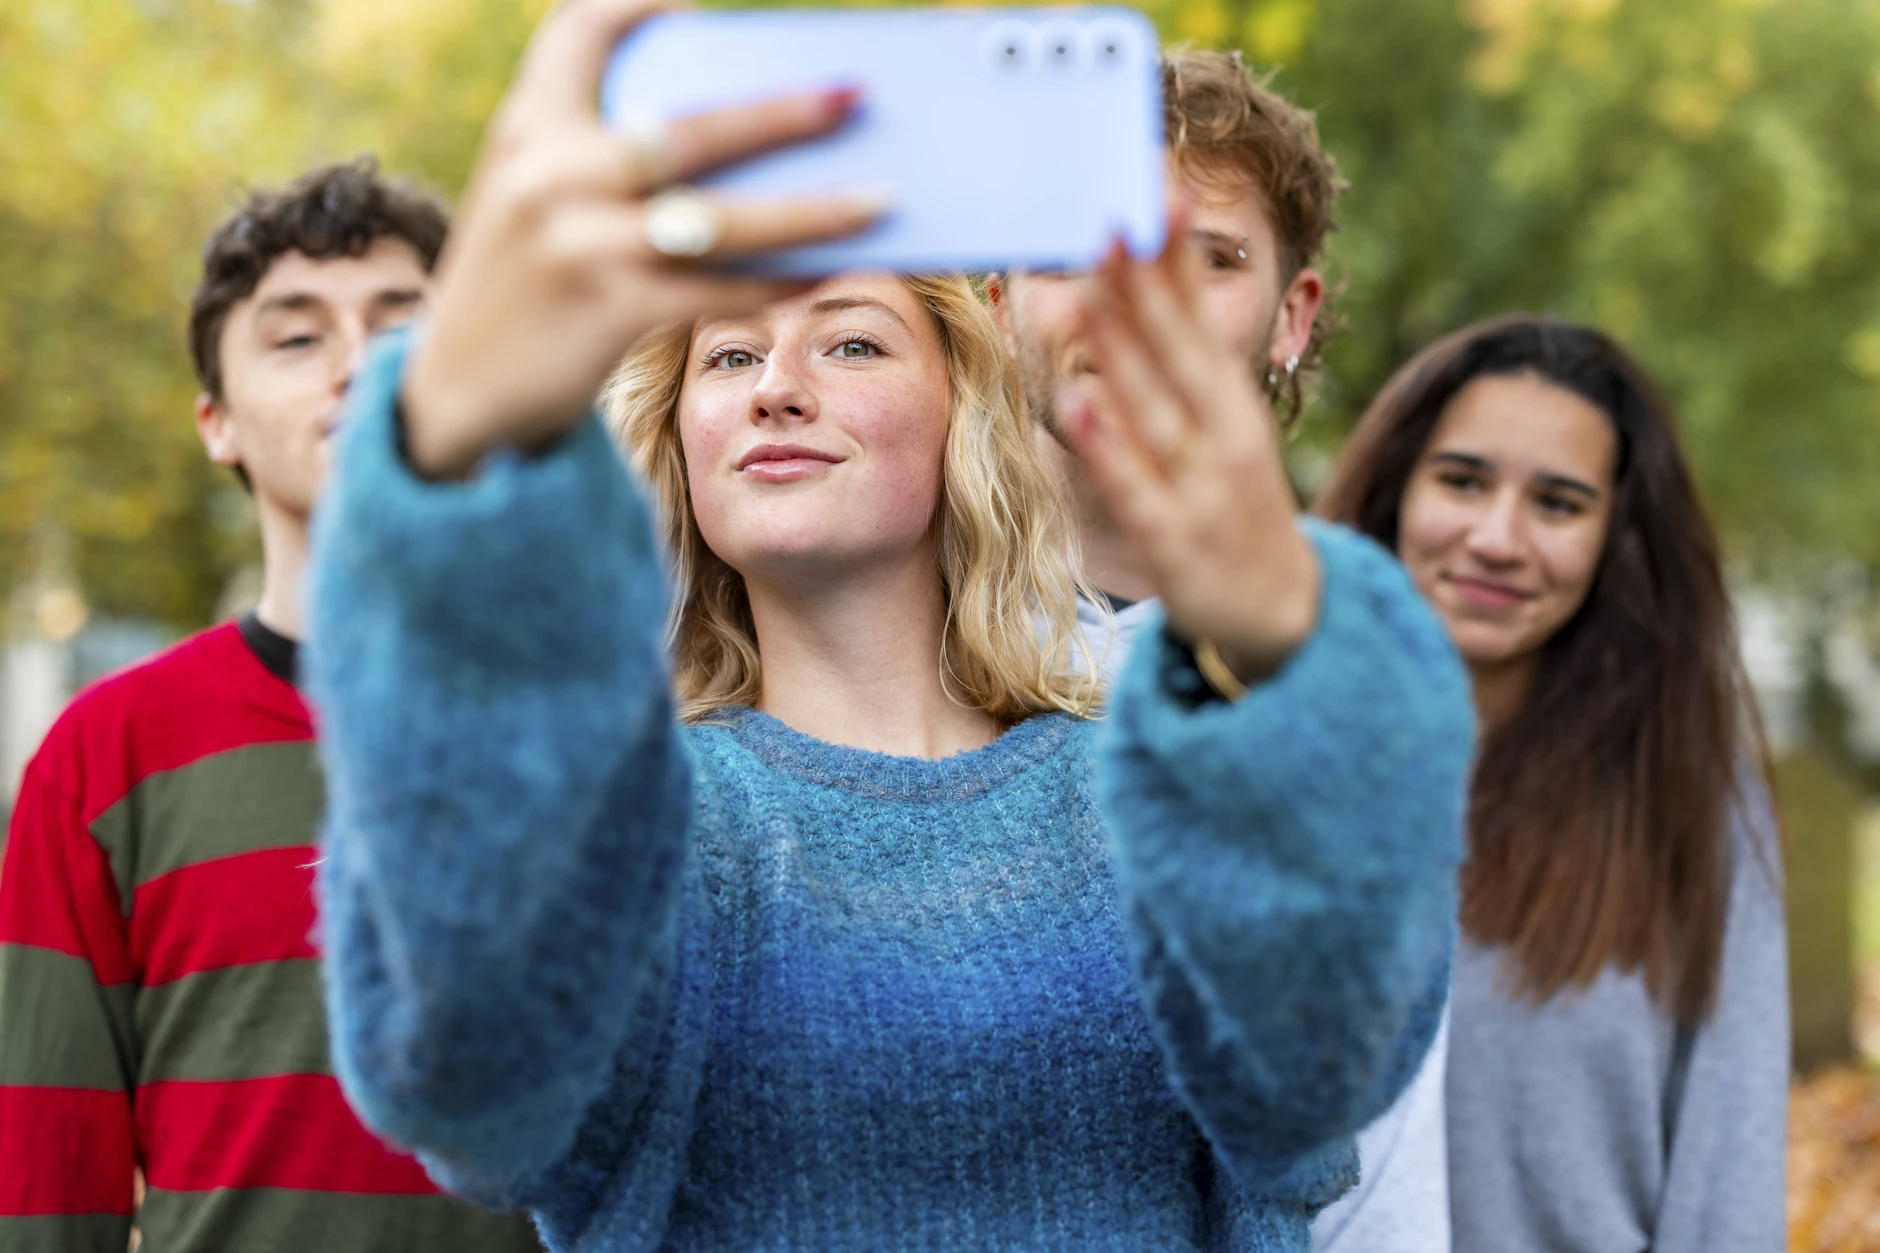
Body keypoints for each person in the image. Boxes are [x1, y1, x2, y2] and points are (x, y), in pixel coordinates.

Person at [304, 1, 1472, 1248]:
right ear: (679, 442)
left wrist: (1296, 644)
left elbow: (1327, 1075)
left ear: (961, 418)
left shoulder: (1137, 790)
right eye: (728, 357)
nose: (780, 389)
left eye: (852, 341)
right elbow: (465, 1086)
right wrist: (449, 461)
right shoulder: (634, 820)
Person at [0, 159, 543, 1253]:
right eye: (296, 338)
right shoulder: (106, 754)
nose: (355, 366)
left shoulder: (607, 725)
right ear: (217, 423)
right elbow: (45, 1175)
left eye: (401, 325)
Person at [990, 48, 1454, 1253]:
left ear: (1287, 316)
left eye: (1207, 255)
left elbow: (1375, 1161)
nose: (1136, 301)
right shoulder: (837, 624)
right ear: (996, 294)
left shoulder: (1343, 678)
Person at [1314, 315, 1789, 1253]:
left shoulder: (1693, 794)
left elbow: (1727, 1171)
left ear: (1616, 537)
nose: (1497, 538)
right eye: (1461, 480)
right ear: (1395, 489)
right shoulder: (1260, 753)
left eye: (1559, 504)